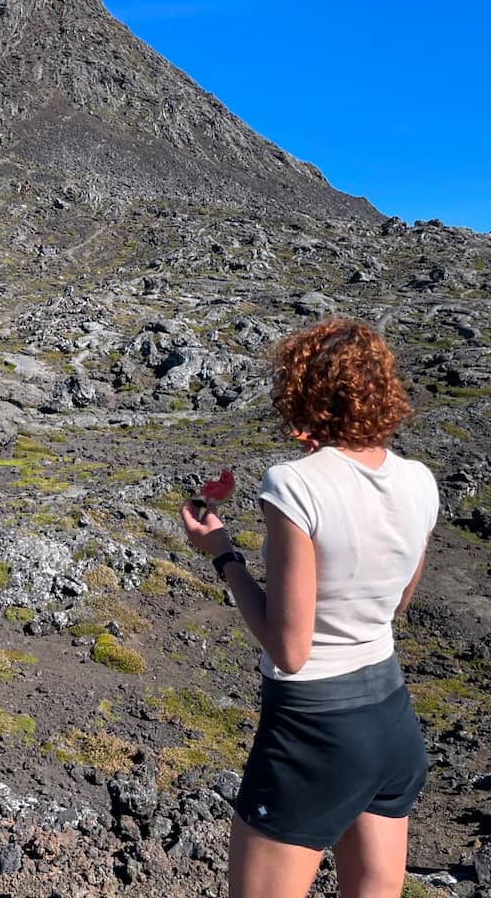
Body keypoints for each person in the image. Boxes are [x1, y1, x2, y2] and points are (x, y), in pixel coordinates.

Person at [181, 318, 438, 898]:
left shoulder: (294, 485)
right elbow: (394, 606)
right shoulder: (421, 481)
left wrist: (223, 554)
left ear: (304, 392)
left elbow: (291, 651)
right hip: (393, 725)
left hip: (312, 730)